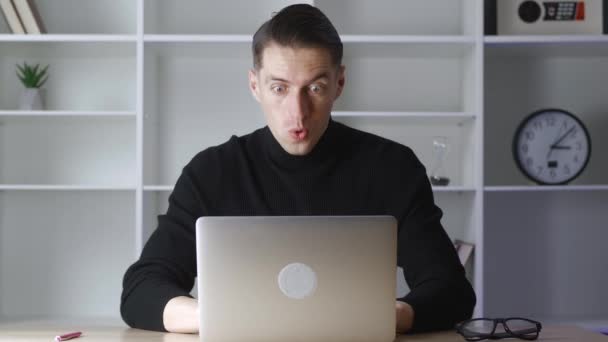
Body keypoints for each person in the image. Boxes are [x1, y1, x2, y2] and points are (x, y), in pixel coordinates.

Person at [121, 3, 476, 334]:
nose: (298, 112)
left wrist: (384, 317)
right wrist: (218, 318)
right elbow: (141, 289)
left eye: (316, 88)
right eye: (280, 88)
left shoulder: (392, 168)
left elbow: (451, 291)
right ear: (254, 85)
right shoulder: (211, 172)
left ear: (339, 83)